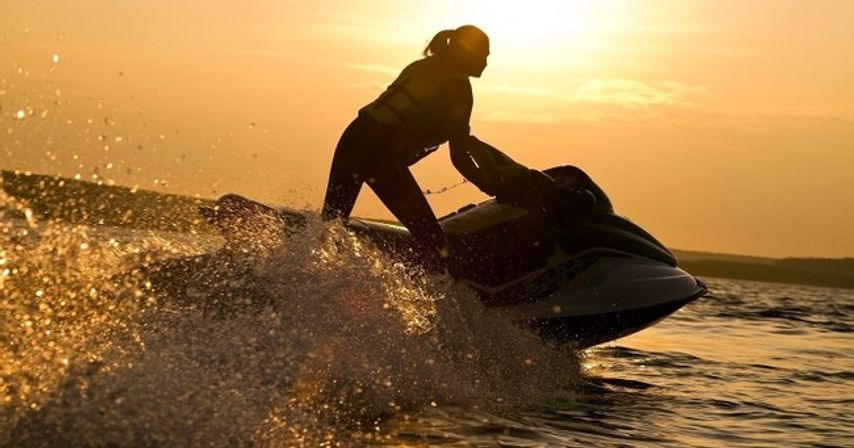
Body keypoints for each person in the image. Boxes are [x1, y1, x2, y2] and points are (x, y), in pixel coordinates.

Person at [321, 25, 534, 270]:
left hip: (353, 138)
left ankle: (302, 278)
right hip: (381, 157)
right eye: (484, 55)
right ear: (468, 53)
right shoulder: (458, 88)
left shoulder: (422, 67)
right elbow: (460, 157)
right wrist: (495, 189)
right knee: (436, 247)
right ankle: (431, 297)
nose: (486, 63)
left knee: (331, 224)